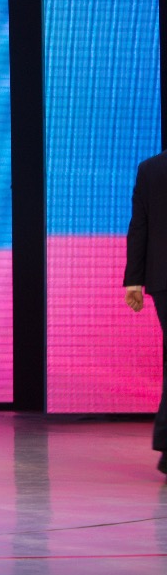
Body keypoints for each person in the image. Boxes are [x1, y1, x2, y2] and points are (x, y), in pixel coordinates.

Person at [122, 151, 167, 477]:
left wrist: (134, 280)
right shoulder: (151, 168)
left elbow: (140, 226)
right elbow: (140, 224)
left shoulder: (151, 168)